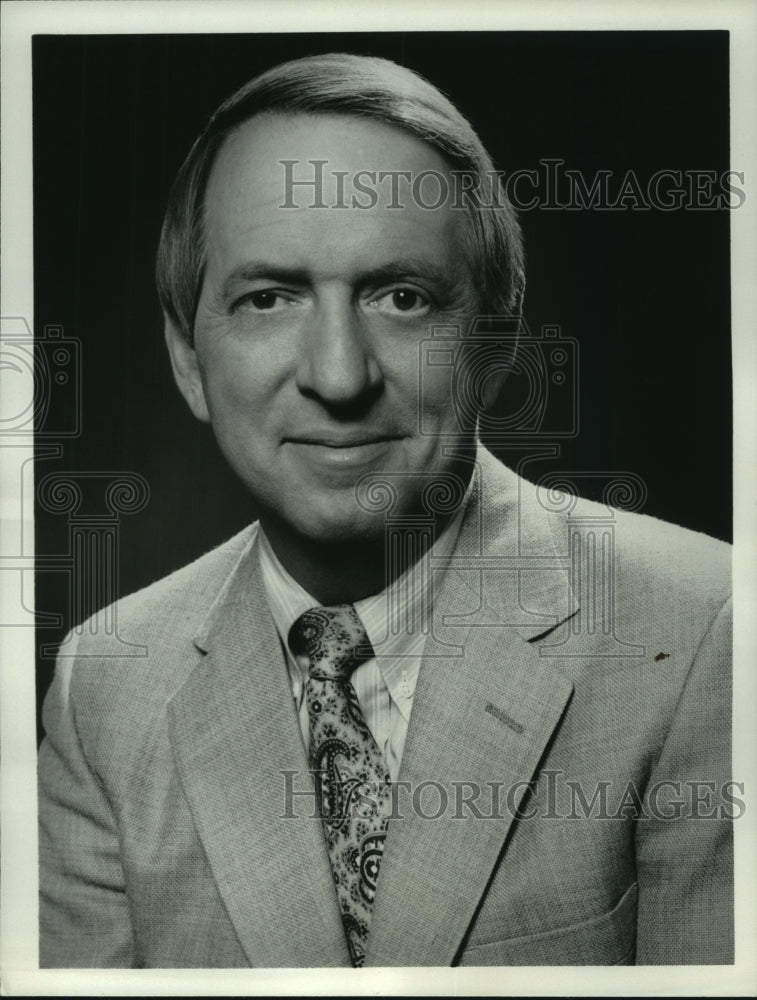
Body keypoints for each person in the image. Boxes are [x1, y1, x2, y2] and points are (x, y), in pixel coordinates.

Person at [38, 52, 733, 968]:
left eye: (401, 297)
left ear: (496, 337)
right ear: (185, 358)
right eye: (268, 297)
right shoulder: (106, 683)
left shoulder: (705, 634)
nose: (337, 376)